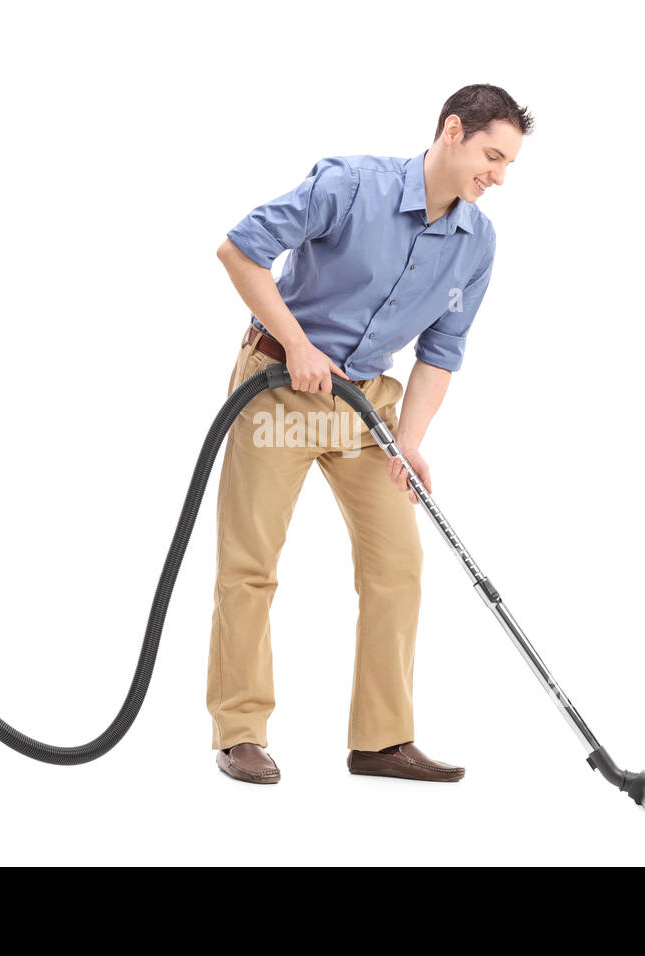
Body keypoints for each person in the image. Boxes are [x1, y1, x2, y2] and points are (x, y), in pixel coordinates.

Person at [208, 84, 531, 784]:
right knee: (251, 563)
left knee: (397, 566)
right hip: (277, 392)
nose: (499, 176)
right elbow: (239, 250)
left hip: (367, 404)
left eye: (508, 164)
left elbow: (443, 349)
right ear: (453, 131)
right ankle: (240, 733)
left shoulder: (477, 241)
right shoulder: (351, 187)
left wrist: (409, 440)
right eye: (492, 155)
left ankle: (381, 741)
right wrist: (295, 343)